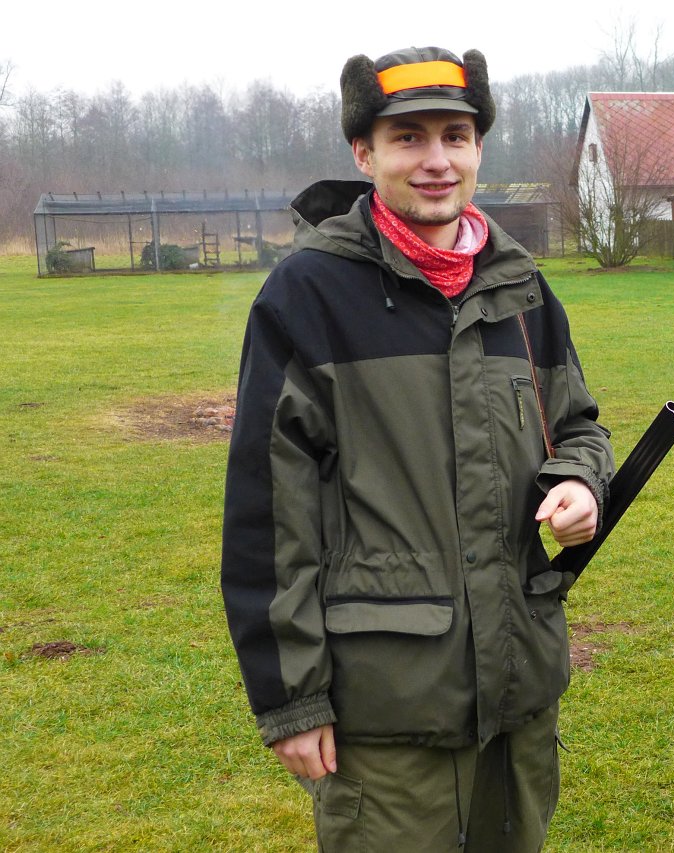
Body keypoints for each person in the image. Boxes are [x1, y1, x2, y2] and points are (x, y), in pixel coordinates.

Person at [220, 45, 614, 852]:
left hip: (518, 703)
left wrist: (581, 480)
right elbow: (267, 509)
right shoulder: (308, 294)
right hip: (386, 719)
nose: (437, 160)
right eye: (408, 137)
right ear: (363, 153)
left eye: (455, 135)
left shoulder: (523, 289)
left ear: (479, 148)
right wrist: (292, 699)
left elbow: (577, 426)